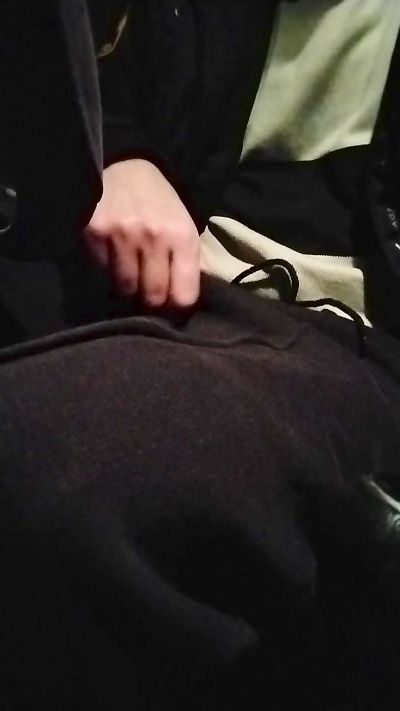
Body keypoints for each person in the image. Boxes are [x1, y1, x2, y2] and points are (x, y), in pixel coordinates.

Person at [1, 2, 400, 710]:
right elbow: (92, 72)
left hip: (342, 329)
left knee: (59, 463)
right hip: (154, 273)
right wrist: (119, 154)